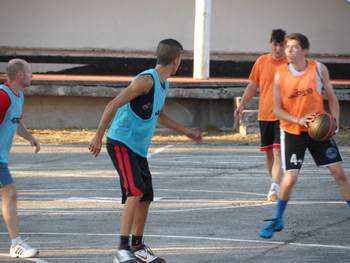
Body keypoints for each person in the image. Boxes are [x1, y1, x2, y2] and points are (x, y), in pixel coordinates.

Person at [89, 39, 202, 263]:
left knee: (146, 195)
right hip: (120, 142)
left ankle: (138, 246)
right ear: (177, 60)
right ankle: (122, 250)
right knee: (135, 190)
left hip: (137, 148)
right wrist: (98, 136)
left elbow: (159, 114)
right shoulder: (145, 80)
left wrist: (185, 131)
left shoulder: (163, 83)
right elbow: (113, 104)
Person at [259, 33, 350, 239]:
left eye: (293, 47)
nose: (288, 51)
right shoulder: (280, 75)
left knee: (339, 173)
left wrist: (334, 121)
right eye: (286, 47)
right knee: (290, 178)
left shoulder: (318, 69)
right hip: (293, 131)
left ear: (305, 51)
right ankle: (278, 219)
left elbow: (332, 98)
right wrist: (299, 120)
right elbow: (276, 110)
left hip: (318, 129)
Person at [234, 29, 287, 202]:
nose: (278, 49)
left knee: (278, 151)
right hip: (264, 115)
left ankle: (275, 186)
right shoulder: (262, 61)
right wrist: (242, 104)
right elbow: (252, 85)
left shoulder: (290, 63)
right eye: (275, 44)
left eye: (282, 45)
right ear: (271, 43)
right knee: (269, 153)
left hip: (284, 116)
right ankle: (275, 182)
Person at [0, 58, 40, 257]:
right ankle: (16, 243)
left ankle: (16, 242)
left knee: (9, 193)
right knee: (10, 192)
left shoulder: (19, 96)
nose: (33, 76)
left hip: (1, 158)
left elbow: (16, 123)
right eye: (30, 72)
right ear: (20, 75)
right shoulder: (2, 97)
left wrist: (30, 138)